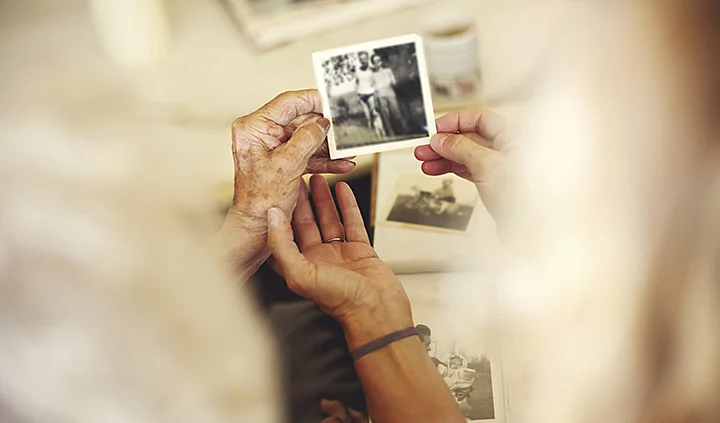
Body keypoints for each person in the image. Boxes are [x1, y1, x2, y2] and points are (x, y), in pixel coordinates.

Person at [371, 54, 405, 136]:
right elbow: (374, 89)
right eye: (375, 61)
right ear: (373, 63)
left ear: (381, 61)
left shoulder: (388, 71)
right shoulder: (373, 75)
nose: (377, 63)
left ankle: (402, 133)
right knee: (386, 117)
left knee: (396, 113)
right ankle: (391, 134)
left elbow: (394, 82)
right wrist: (375, 101)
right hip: (380, 96)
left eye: (378, 60)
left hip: (391, 94)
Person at [355, 51, 379, 131]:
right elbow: (357, 83)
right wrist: (357, 95)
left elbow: (375, 82)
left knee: (373, 112)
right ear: (359, 60)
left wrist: (376, 92)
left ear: (368, 58)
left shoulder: (372, 70)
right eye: (361, 59)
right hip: (361, 94)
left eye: (365, 58)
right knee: (367, 115)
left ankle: (378, 130)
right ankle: (371, 131)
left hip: (370, 94)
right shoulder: (358, 71)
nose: (363, 61)